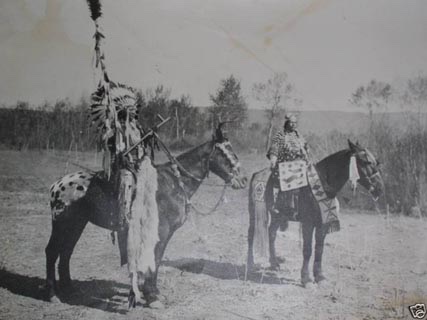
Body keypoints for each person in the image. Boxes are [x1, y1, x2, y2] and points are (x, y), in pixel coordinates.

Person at [266, 114, 310, 216]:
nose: (293, 125)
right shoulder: (281, 135)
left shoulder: (299, 135)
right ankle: (283, 206)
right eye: (291, 122)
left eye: (295, 123)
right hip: (284, 164)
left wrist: (306, 150)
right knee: (289, 178)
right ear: (287, 123)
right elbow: (274, 148)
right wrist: (273, 159)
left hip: (300, 164)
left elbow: (305, 147)